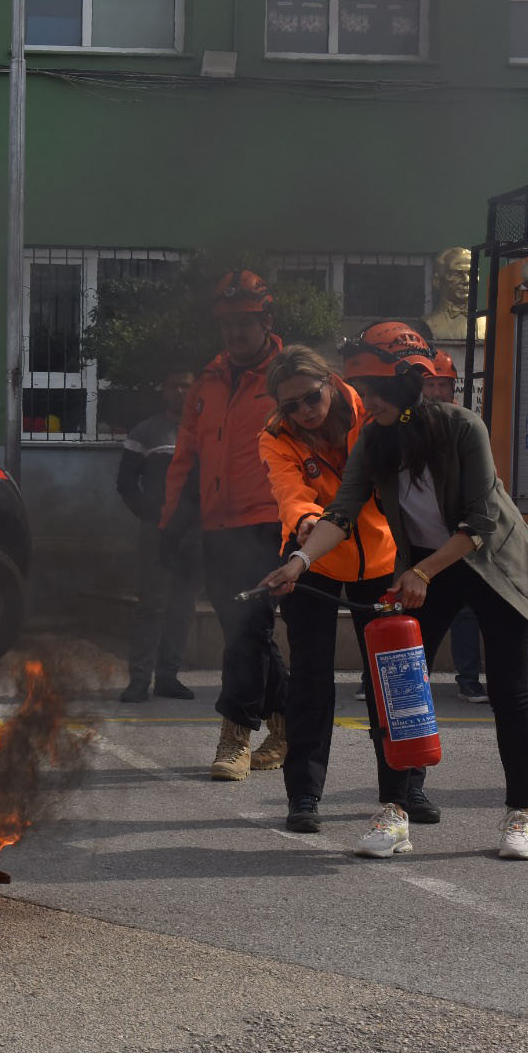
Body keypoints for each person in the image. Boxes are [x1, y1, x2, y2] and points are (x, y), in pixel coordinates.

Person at [261, 322, 528, 861]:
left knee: (510, 693)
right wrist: (299, 562)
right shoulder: (374, 437)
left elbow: (480, 523)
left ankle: (520, 818)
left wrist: (419, 573)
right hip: (428, 572)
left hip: (494, 568)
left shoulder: (463, 427)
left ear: (399, 383)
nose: (361, 402)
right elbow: (342, 512)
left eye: (369, 392)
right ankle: (393, 813)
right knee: (399, 686)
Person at [258, 345, 438, 832]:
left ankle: (406, 789)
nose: (302, 412)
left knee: (393, 677)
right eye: (288, 405)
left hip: (383, 560)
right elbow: (288, 492)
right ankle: (304, 797)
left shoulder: (371, 413)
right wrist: (305, 526)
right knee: (311, 682)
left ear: (332, 382)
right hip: (311, 559)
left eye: (309, 398)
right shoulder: (276, 438)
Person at [161, 270, 289, 780]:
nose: (235, 333)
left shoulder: (289, 376)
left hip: (270, 525)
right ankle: (286, 726)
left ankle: (235, 735)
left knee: (244, 632)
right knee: (250, 634)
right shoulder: (206, 384)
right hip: (218, 530)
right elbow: (185, 459)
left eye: (245, 323)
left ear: (267, 320)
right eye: (227, 324)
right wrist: (172, 526)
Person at [115, 367, 199, 702]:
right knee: (151, 606)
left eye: (187, 386)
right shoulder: (146, 432)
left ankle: (168, 677)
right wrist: (151, 515)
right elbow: (125, 483)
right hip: (157, 533)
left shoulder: (205, 432)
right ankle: (139, 680)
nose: (181, 392)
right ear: (163, 390)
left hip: (194, 535)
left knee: (183, 606)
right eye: (174, 385)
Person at [425, 349, 488, 703]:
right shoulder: (411, 427)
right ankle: (378, 677)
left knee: (465, 609)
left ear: (453, 388)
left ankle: (468, 680)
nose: (436, 392)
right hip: (419, 533)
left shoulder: (467, 426)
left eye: (442, 385)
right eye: (430, 384)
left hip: (457, 532)